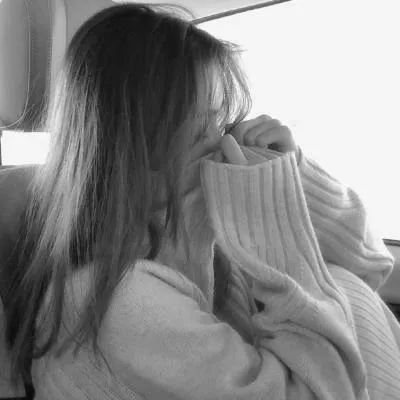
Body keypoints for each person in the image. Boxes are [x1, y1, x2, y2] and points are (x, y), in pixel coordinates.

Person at [1, 3, 399, 399]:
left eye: (225, 121)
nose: (227, 140)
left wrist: (293, 172)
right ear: (146, 147)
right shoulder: (125, 303)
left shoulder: (200, 234)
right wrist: (272, 223)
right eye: (208, 124)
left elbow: (366, 265)